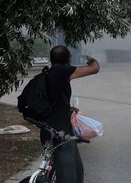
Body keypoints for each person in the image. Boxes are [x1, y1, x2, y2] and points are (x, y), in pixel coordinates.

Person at [42, 45, 100, 183]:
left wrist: (68, 109)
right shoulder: (63, 72)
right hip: (60, 134)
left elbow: (53, 100)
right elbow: (95, 68)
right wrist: (91, 59)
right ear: (68, 59)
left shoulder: (47, 75)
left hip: (53, 130)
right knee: (70, 177)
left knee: (77, 170)